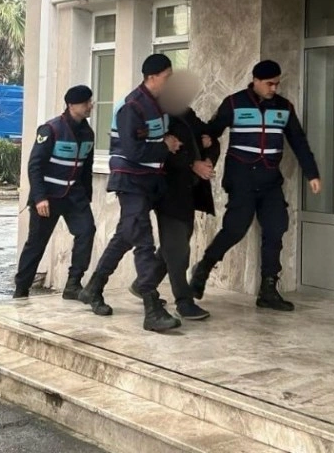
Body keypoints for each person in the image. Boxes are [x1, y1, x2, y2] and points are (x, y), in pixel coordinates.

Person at [190, 60, 321, 312]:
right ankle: (203, 268)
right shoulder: (234, 103)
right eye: (269, 84)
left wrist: (312, 173)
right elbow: (212, 130)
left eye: (277, 84)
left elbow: (298, 141)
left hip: (270, 179)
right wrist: (202, 150)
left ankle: (268, 290)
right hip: (242, 177)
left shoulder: (284, 107)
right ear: (256, 81)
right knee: (235, 228)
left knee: (276, 228)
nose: (274, 88)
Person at [78, 53, 183, 332]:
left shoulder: (160, 105)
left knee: (126, 235)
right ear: (152, 77)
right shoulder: (132, 107)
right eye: (167, 77)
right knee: (143, 241)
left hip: (150, 181)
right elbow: (134, 151)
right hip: (130, 180)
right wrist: (166, 146)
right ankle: (152, 307)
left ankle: (93, 288)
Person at [131, 69, 219, 321]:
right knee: (178, 249)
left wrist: (208, 157)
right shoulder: (156, 114)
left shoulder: (186, 113)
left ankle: (143, 283)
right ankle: (184, 301)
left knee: (174, 244)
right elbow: (163, 152)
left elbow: (209, 137)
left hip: (190, 191)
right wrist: (193, 163)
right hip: (167, 190)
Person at [13, 85, 97, 299]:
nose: (90, 106)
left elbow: (87, 167)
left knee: (87, 231)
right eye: (86, 102)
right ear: (71, 105)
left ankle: (73, 284)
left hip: (75, 197)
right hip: (48, 198)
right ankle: (21, 289)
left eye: (90, 101)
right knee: (36, 244)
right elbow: (35, 166)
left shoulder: (88, 133)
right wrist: (39, 197)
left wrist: (87, 196)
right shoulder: (50, 129)